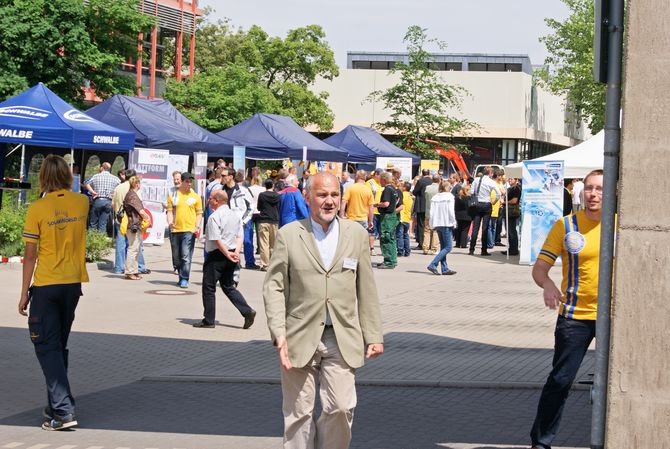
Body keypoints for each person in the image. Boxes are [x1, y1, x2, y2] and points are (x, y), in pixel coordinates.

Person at [263, 172, 384, 449]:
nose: (329, 201)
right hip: (298, 335)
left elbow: (366, 288)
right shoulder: (289, 235)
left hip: (341, 336)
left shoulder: (356, 234)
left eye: (334, 195)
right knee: (298, 415)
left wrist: (374, 334)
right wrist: (278, 332)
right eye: (322, 195)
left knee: (340, 408)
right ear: (307, 198)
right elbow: (274, 287)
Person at [529, 170, 605, 449]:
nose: (594, 194)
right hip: (574, 317)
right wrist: (548, 285)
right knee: (560, 381)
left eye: (599, 189)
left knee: (616, 384)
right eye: (589, 188)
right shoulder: (566, 225)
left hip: (613, 319)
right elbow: (540, 269)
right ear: (581, 192)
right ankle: (541, 441)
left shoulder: (622, 225)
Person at [19, 155, 89, 431]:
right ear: (68, 175)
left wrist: (24, 292)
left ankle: (63, 411)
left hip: (47, 285)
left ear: (43, 177)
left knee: (46, 346)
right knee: (57, 346)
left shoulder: (38, 208)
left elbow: (29, 255)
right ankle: (55, 405)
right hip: (72, 285)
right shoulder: (81, 202)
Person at [194, 190, 256, 329]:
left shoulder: (214, 216)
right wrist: (236, 252)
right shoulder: (234, 216)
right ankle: (247, 311)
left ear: (216, 201)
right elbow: (239, 236)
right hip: (231, 252)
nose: (208, 201)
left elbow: (216, 239)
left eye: (210, 198)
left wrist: (227, 253)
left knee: (208, 287)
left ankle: (209, 320)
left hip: (217, 254)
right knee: (228, 286)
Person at [166, 172, 203, 288]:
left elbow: (199, 213)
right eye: (187, 181)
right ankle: (180, 273)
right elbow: (170, 211)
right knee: (176, 256)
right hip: (175, 230)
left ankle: (184, 278)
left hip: (189, 230)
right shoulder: (174, 195)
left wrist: (196, 227)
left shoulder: (195, 196)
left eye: (190, 181)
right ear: (181, 182)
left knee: (185, 255)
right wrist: (170, 222)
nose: (189, 183)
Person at [426, 180, 457, 275]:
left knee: (443, 246)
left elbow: (432, 212)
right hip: (446, 223)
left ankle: (445, 268)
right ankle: (433, 264)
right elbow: (451, 211)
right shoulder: (450, 196)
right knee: (448, 247)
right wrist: (453, 221)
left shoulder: (435, 197)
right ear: (447, 187)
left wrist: (432, 224)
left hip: (438, 223)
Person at [122, 176, 150, 280]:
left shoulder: (131, 194)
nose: (140, 185)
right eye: (139, 183)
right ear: (137, 184)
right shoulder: (133, 195)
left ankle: (134, 270)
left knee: (136, 249)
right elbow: (141, 211)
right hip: (132, 224)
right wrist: (147, 218)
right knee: (133, 248)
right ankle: (130, 272)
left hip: (134, 224)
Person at [468, 166, 499, 256]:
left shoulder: (476, 180)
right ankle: (483, 250)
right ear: (490, 173)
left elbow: (471, 191)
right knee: (485, 228)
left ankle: (471, 249)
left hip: (477, 204)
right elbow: (498, 193)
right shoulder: (491, 182)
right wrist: (494, 201)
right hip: (487, 204)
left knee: (475, 228)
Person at [84, 162, 119, 233]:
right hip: (108, 201)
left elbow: (86, 182)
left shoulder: (96, 176)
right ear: (109, 169)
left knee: (93, 222)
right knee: (103, 223)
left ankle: (93, 240)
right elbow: (120, 186)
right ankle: (101, 241)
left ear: (102, 168)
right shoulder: (115, 178)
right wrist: (113, 194)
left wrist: (92, 192)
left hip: (98, 200)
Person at [376, 172, 401, 269]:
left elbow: (386, 204)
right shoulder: (394, 189)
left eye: (380, 179)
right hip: (392, 215)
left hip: (387, 217)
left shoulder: (387, 189)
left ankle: (388, 261)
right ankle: (393, 260)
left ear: (383, 180)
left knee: (386, 237)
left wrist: (378, 204)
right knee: (391, 238)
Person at [256, 179, 281, 271]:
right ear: (273, 186)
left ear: (265, 186)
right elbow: (279, 207)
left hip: (263, 220)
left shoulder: (262, 195)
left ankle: (265, 264)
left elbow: (259, 207)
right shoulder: (278, 196)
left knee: (264, 244)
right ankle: (273, 263)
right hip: (274, 220)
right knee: (274, 244)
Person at [412, 169, 432, 248]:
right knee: (429, 225)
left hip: (421, 205)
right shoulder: (431, 181)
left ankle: (421, 243)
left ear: (422, 173)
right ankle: (429, 243)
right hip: (429, 206)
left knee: (421, 225)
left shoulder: (420, 181)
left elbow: (415, 191)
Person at [167, 171, 182, 274]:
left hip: (184, 221)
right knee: (174, 246)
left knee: (184, 246)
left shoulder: (188, 191)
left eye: (178, 179)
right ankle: (176, 266)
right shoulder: (170, 191)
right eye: (175, 179)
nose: (176, 181)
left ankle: (183, 266)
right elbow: (166, 203)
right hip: (173, 221)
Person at [502, 178, 521, 256]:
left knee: (512, 231)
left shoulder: (516, 189)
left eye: (511, 179)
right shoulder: (510, 188)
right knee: (509, 231)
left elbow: (514, 200)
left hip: (512, 211)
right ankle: (511, 249)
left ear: (515, 180)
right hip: (508, 211)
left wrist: (505, 202)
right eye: (509, 179)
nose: (509, 181)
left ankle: (514, 249)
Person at [422, 175, 440, 255]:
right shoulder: (440, 189)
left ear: (432, 179)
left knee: (427, 231)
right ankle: (434, 248)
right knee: (435, 230)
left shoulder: (428, 188)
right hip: (437, 212)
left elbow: (425, 197)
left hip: (428, 211)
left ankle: (425, 248)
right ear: (439, 180)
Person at [396, 181, 413, 257]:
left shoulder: (402, 195)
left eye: (402, 186)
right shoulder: (410, 196)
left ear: (405, 188)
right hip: (407, 218)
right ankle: (407, 251)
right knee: (405, 235)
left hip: (401, 217)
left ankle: (400, 251)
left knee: (399, 235)